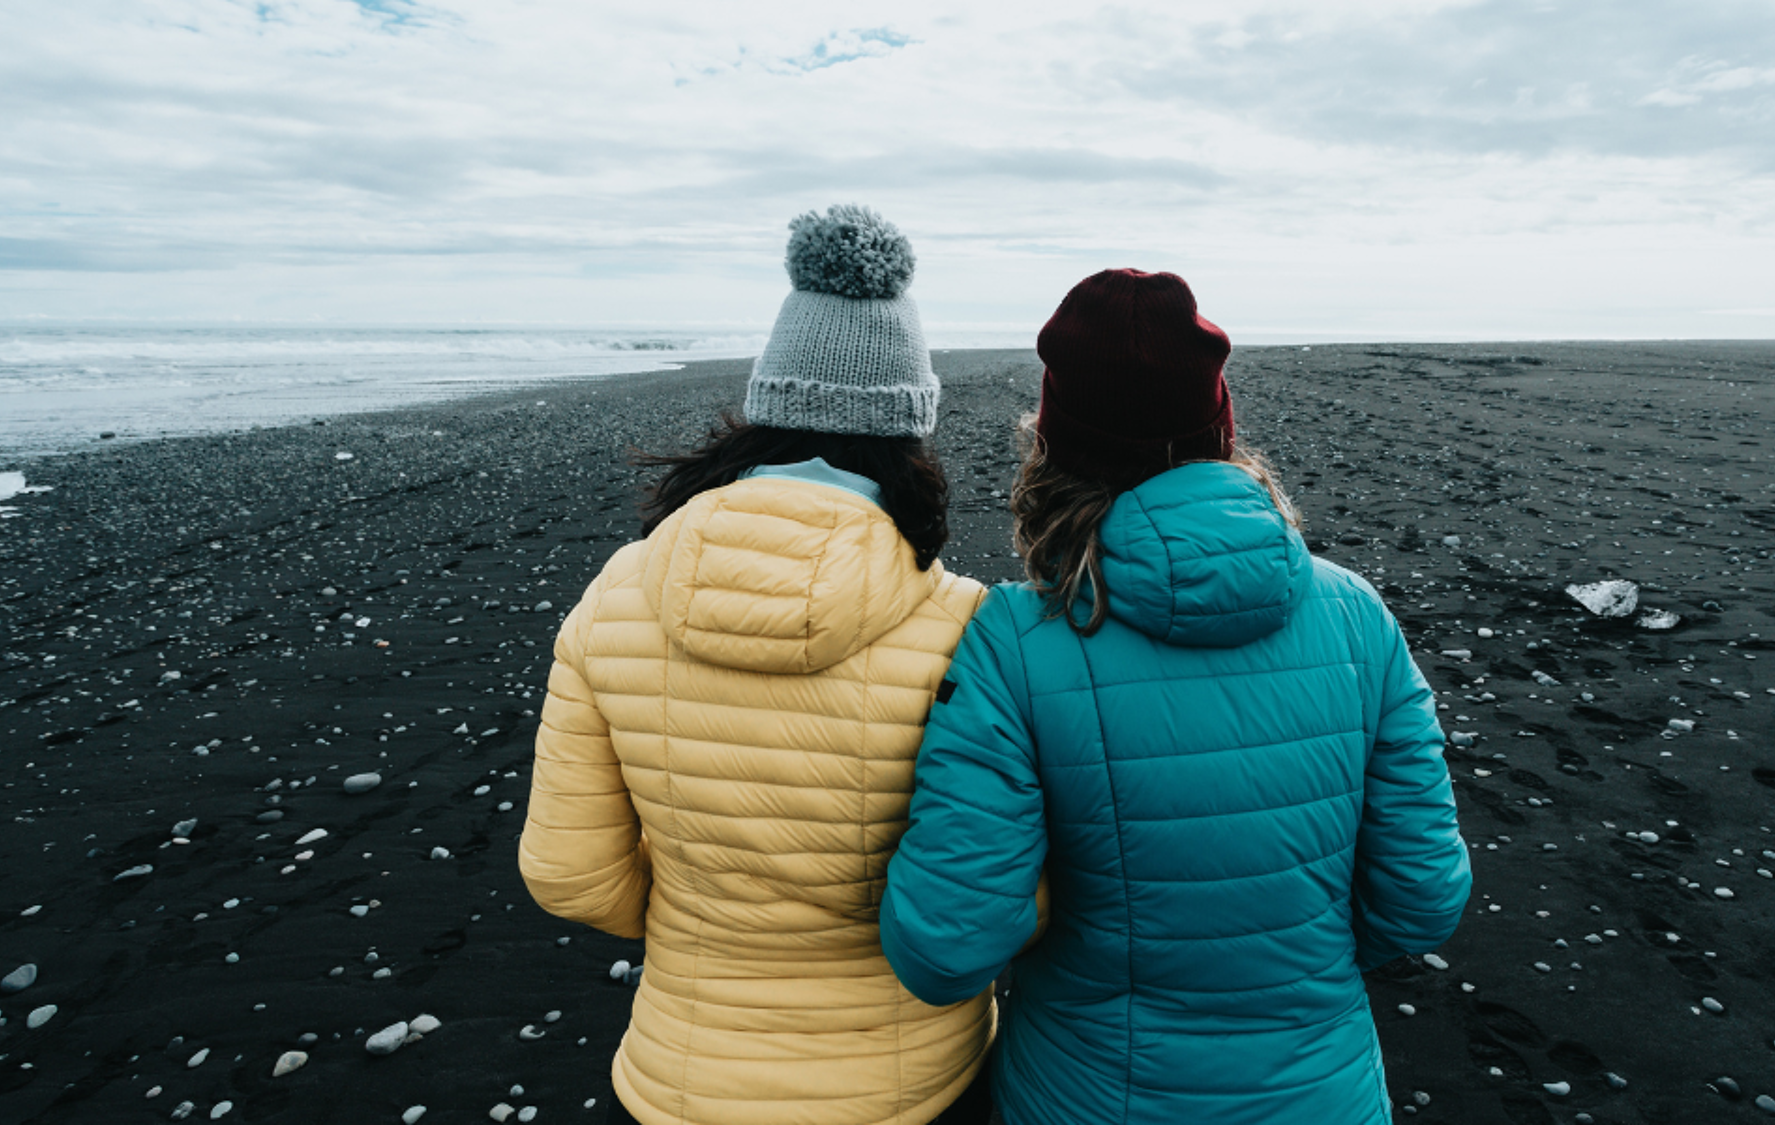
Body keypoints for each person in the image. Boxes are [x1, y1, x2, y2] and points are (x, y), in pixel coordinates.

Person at [879, 269, 1473, 1124]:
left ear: (1054, 444)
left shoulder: (1016, 640)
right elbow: (1423, 896)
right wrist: (1294, 964)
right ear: (1220, 428)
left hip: (1086, 1095)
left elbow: (944, 947)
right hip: (1324, 1094)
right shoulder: (1358, 618)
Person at [519, 206, 997, 1125]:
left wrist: (709, 922)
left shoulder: (617, 592)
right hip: (909, 1084)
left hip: (680, 1077)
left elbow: (569, 872)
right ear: (909, 428)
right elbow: (998, 891)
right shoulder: (967, 623)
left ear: (765, 406)